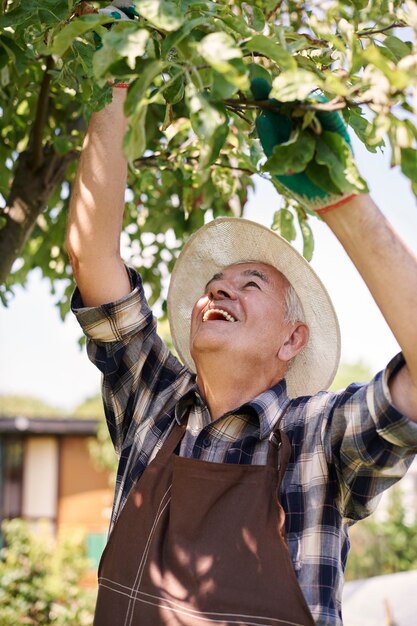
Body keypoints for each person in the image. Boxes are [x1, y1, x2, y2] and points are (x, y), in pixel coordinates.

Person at [66, 76, 417, 625]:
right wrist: (113, 79)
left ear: (292, 339)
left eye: (250, 283)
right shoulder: (152, 404)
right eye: (216, 283)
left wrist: (346, 204)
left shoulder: (317, 440)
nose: (220, 289)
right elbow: (92, 261)